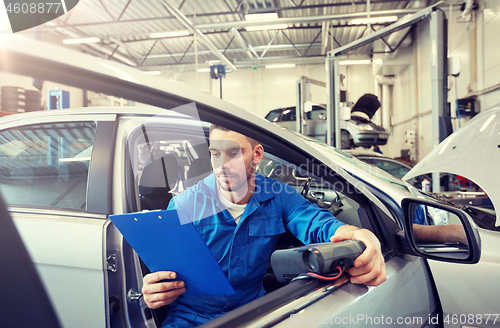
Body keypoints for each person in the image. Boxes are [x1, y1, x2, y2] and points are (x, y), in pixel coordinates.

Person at [142, 125, 387, 327]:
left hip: (255, 314)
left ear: (257, 155)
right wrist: (156, 290)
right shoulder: (184, 205)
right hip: (191, 319)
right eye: (215, 153)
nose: (222, 164)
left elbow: (319, 224)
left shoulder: (278, 196)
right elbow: (166, 273)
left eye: (233, 153)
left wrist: (361, 235)